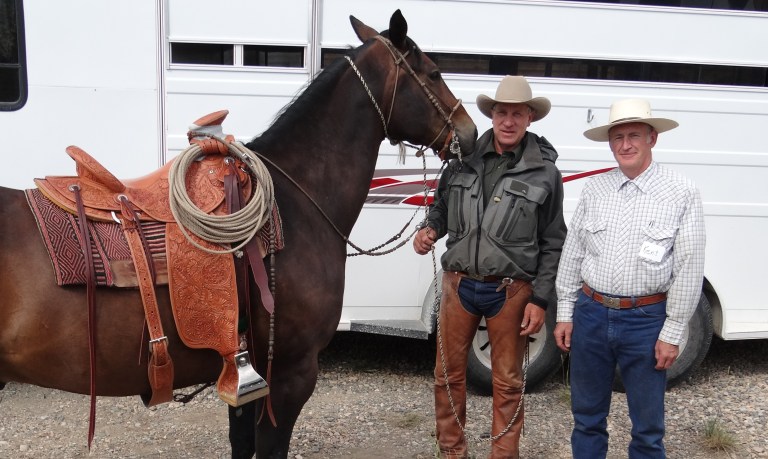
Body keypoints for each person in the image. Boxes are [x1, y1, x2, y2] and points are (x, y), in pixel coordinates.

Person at [413, 75, 566, 458]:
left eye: (517, 113)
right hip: (458, 285)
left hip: (512, 291)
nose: (508, 121)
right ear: (492, 115)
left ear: (530, 117)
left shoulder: (545, 172)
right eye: (502, 112)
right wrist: (429, 229)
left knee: (509, 382)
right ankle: (452, 452)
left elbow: (553, 241)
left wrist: (541, 299)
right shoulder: (463, 158)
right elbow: (442, 210)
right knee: (447, 377)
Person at [554, 98, 706, 458]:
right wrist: (565, 311)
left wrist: (672, 332)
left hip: (646, 321)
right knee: (587, 418)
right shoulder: (595, 189)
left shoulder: (681, 191)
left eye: (634, 135)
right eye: (618, 136)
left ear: (652, 138)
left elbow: (689, 264)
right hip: (591, 314)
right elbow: (573, 252)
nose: (625, 144)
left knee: (648, 428)